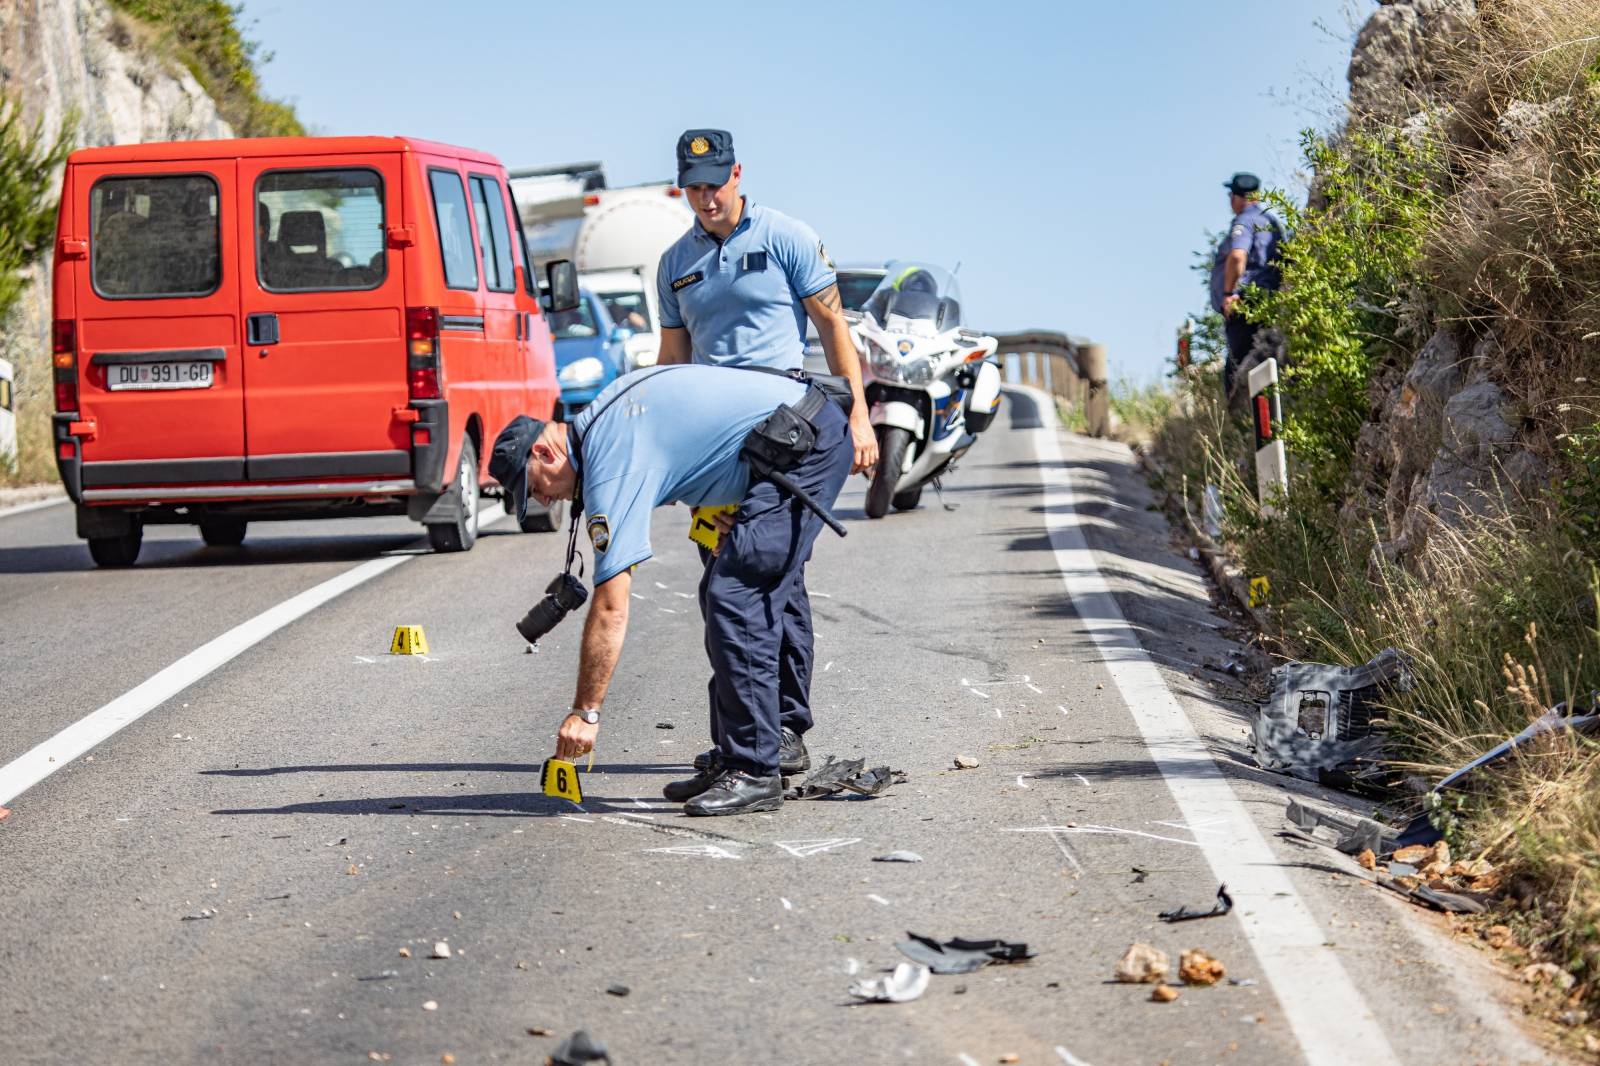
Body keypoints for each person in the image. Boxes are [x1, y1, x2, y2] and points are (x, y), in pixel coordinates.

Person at [494, 363, 853, 816]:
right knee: (725, 591)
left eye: (534, 489)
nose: (543, 501)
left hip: (806, 442)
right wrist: (722, 500)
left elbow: (610, 607)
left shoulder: (608, 465)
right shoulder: (602, 424)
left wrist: (586, 712)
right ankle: (744, 752)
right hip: (781, 440)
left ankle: (756, 769)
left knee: (739, 595)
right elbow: (696, 438)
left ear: (545, 453)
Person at [652, 128, 877, 788]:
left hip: (785, 435)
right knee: (726, 576)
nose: (705, 198)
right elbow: (672, 359)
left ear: (737, 175)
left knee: (767, 576)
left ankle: (782, 727)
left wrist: (859, 417)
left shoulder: (786, 237)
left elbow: (834, 326)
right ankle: (745, 733)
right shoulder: (674, 262)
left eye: (714, 184)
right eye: (693, 188)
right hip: (713, 447)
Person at [1210, 172, 1284, 398]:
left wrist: (1228, 293)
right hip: (1266, 303)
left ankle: (1241, 427)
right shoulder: (1270, 222)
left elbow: (1237, 256)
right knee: (1259, 369)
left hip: (1244, 303)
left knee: (1237, 374)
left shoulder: (1245, 221)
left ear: (1237, 197)